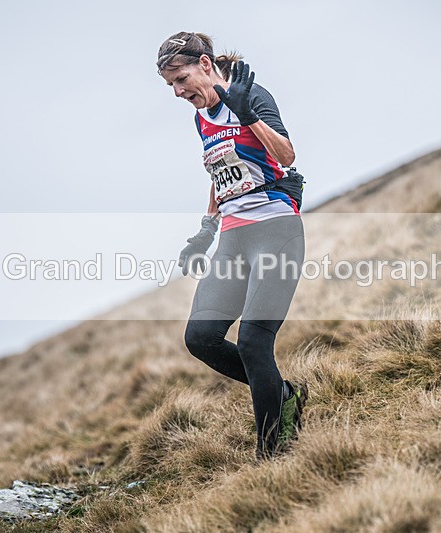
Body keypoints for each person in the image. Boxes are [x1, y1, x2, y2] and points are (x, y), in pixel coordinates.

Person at [156, 31, 308, 459]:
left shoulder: (252, 94)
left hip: (275, 229)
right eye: (171, 85)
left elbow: (287, 155)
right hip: (233, 237)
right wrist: (206, 230)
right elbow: (219, 170)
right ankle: (284, 393)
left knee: (254, 343)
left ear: (205, 65)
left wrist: (247, 114)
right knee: (201, 337)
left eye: (181, 79)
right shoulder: (200, 118)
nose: (178, 92)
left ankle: (273, 454)